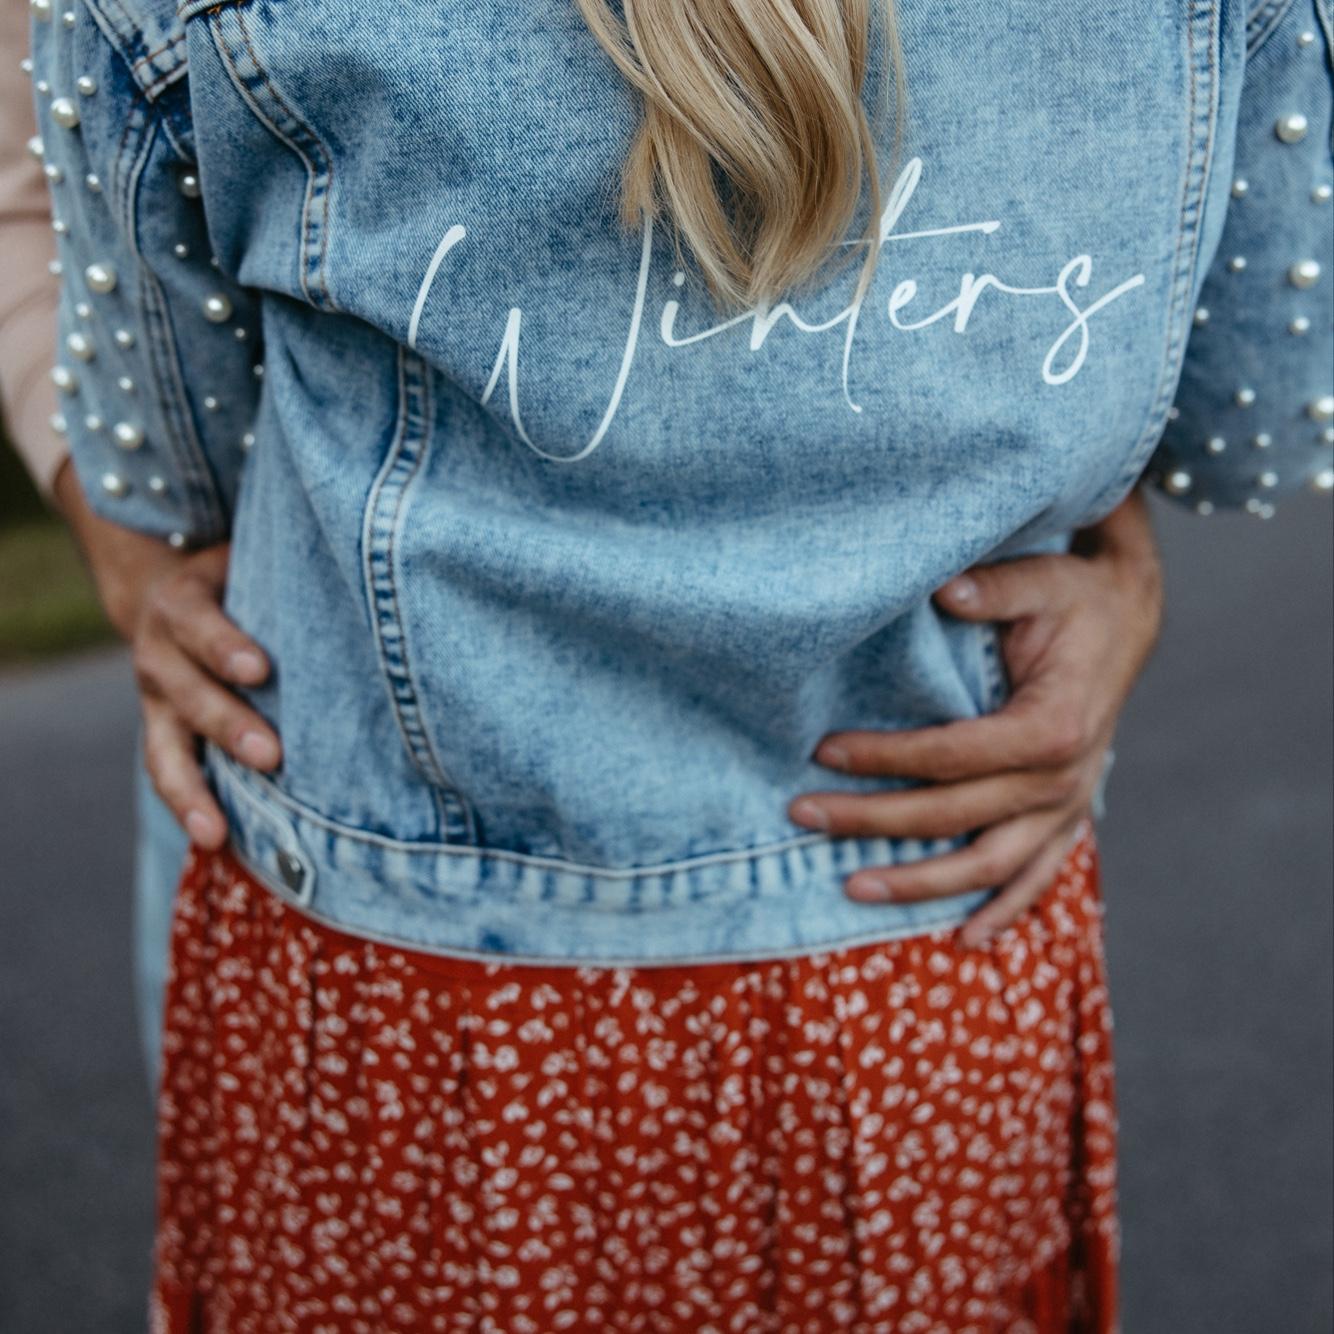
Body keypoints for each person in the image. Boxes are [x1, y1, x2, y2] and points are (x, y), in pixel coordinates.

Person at [26, 0, 1334, 1328]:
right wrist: (1100, 534)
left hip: (400, 997)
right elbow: (1252, 432)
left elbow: (180, 474)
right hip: (922, 975)